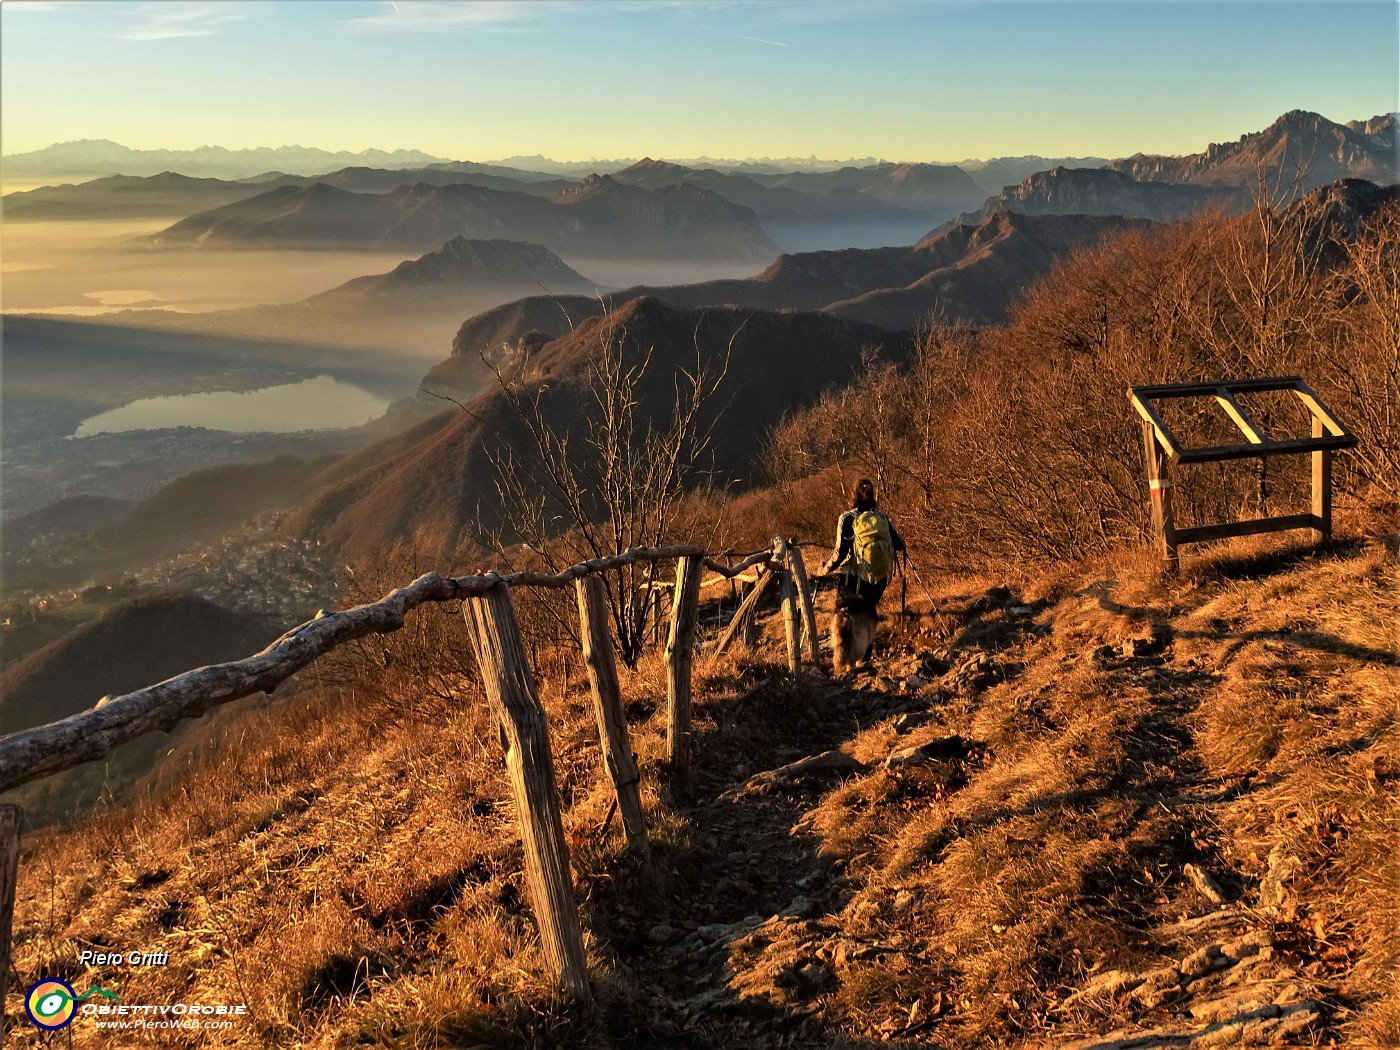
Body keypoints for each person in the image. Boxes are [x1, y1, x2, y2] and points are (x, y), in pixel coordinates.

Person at [821, 478, 906, 617]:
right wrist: (892, 527)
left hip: (853, 580)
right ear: (872, 495)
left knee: (843, 621)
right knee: (865, 616)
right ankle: (867, 638)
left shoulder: (847, 518)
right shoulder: (881, 517)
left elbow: (840, 553)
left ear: (853, 495)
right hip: (878, 581)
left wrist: (826, 569)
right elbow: (900, 545)